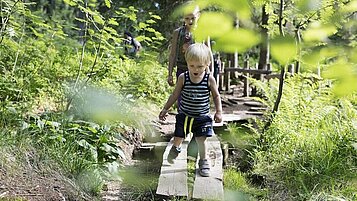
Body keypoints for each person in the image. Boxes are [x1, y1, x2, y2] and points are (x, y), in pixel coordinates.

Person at [159, 43, 223, 177]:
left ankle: (204, 161)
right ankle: (175, 148)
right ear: (187, 63)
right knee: (178, 137)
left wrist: (219, 112)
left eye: (200, 66)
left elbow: (216, 95)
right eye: (191, 65)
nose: (195, 69)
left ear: (207, 64)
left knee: (201, 140)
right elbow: (175, 95)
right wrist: (165, 108)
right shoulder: (183, 77)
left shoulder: (209, 79)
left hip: (202, 117)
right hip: (185, 116)